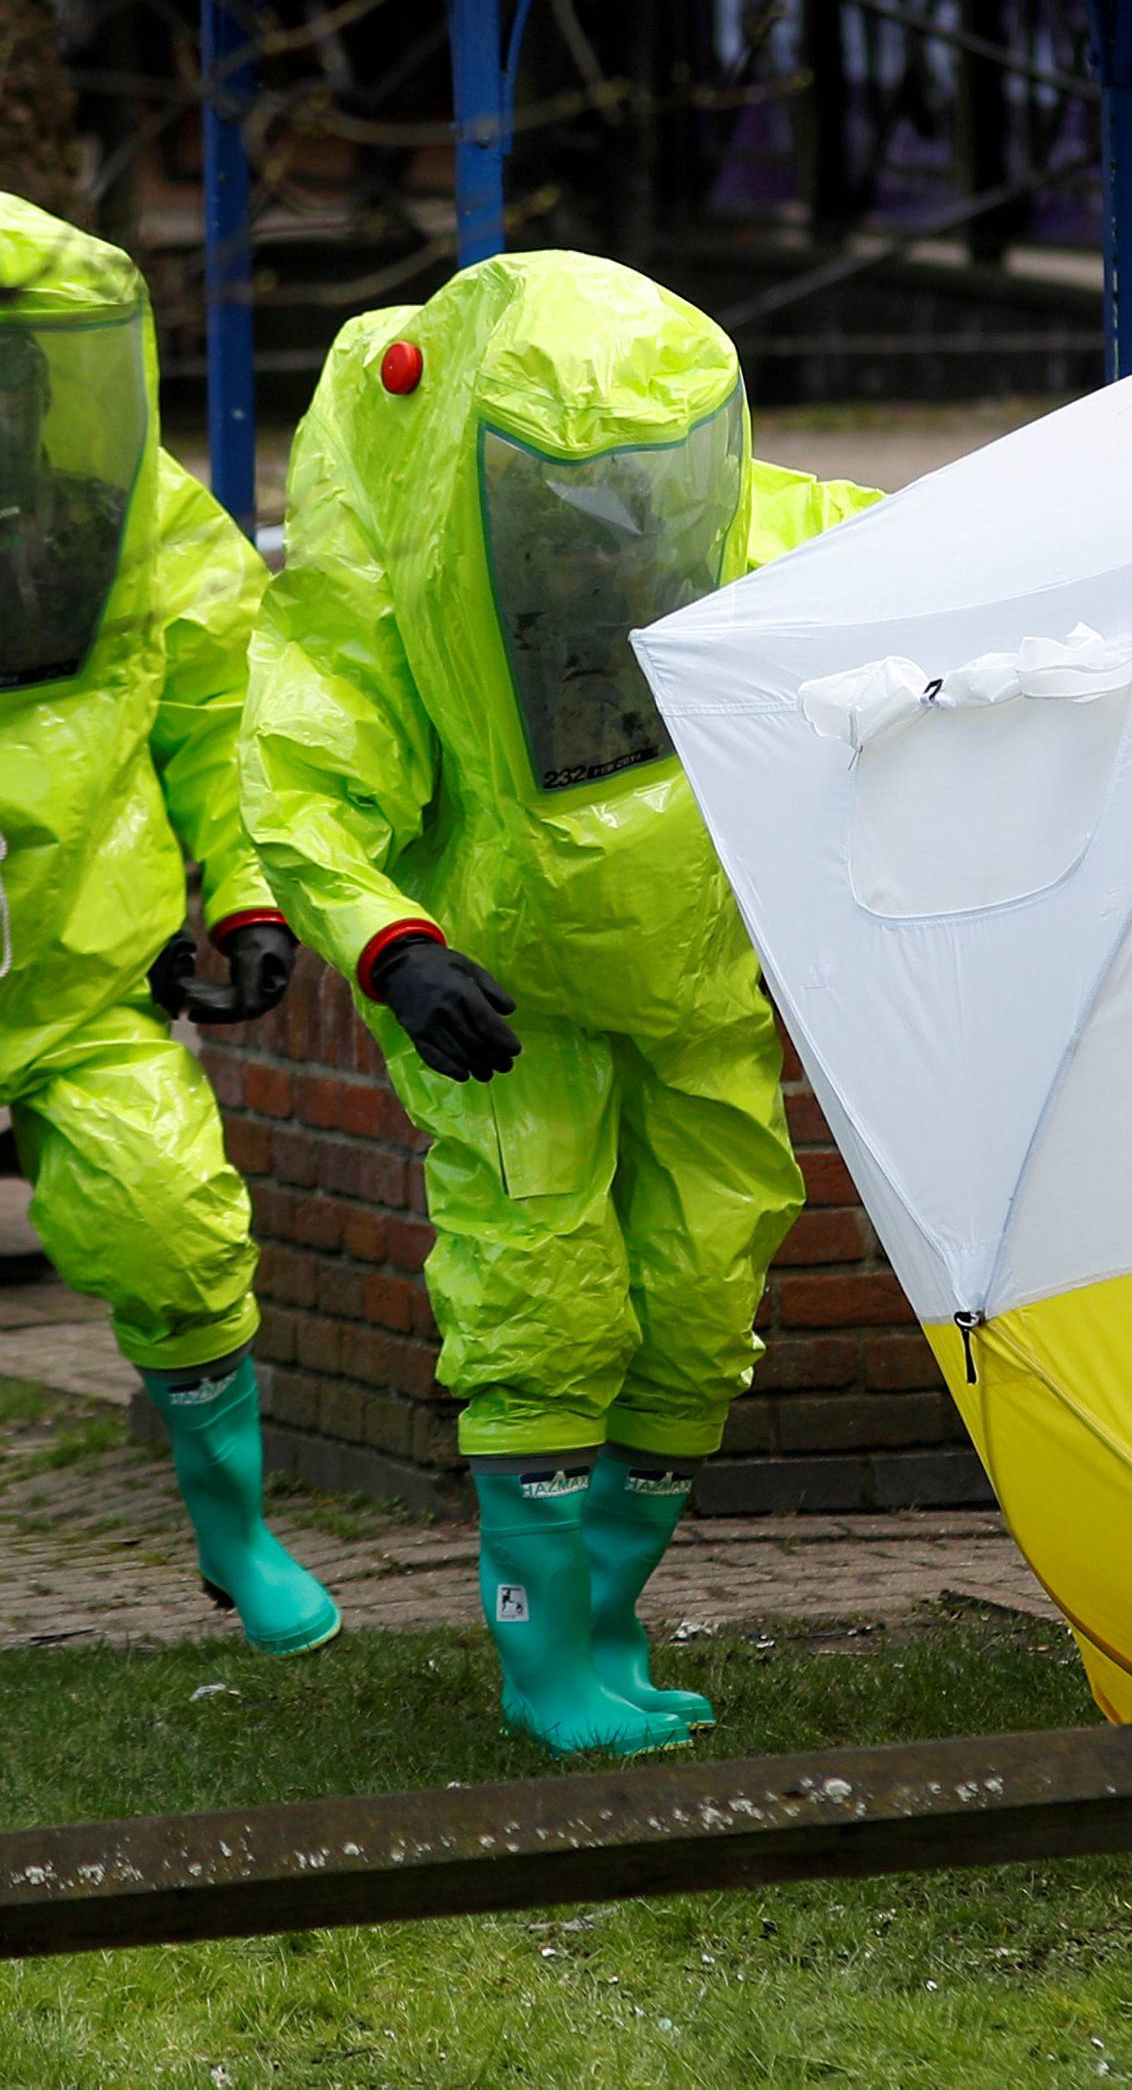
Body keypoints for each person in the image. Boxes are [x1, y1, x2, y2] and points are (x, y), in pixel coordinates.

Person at [242, 252, 882, 1755]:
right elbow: (305, 779)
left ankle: (604, 1622)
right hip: (507, 996)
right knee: (543, 1291)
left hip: (691, 978)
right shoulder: (409, 584)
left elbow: (926, 580)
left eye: (637, 500)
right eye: (570, 508)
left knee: (706, 1281)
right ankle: (543, 1666)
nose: (607, 539)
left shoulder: (746, 524)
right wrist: (395, 948)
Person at [0, 192, 338, 1655]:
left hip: (80, 967)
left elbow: (220, 710)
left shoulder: (125, 513)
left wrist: (251, 894)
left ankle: (235, 1534)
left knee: (173, 1226)